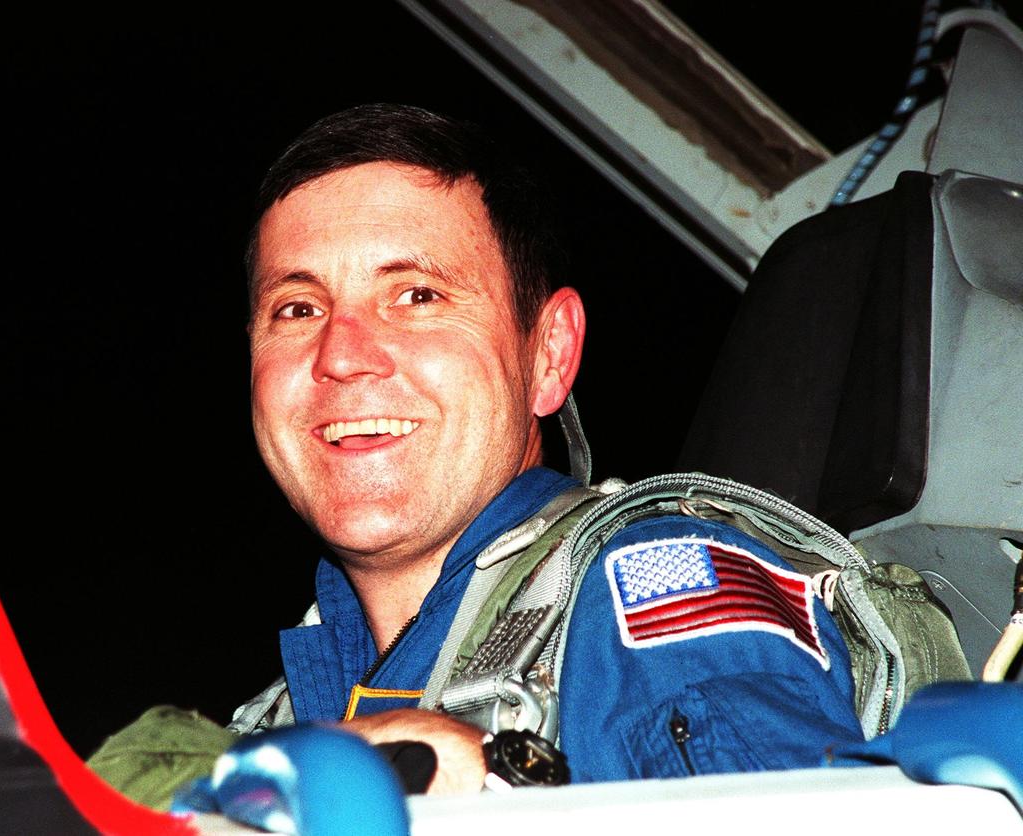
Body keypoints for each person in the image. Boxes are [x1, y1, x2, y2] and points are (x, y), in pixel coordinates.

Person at [228, 103, 864, 794]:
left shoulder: (654, 589)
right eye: (297, 309)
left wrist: (501, 789)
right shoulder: (271, 727)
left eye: (417, 295)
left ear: (549, 354)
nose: (342, 356)